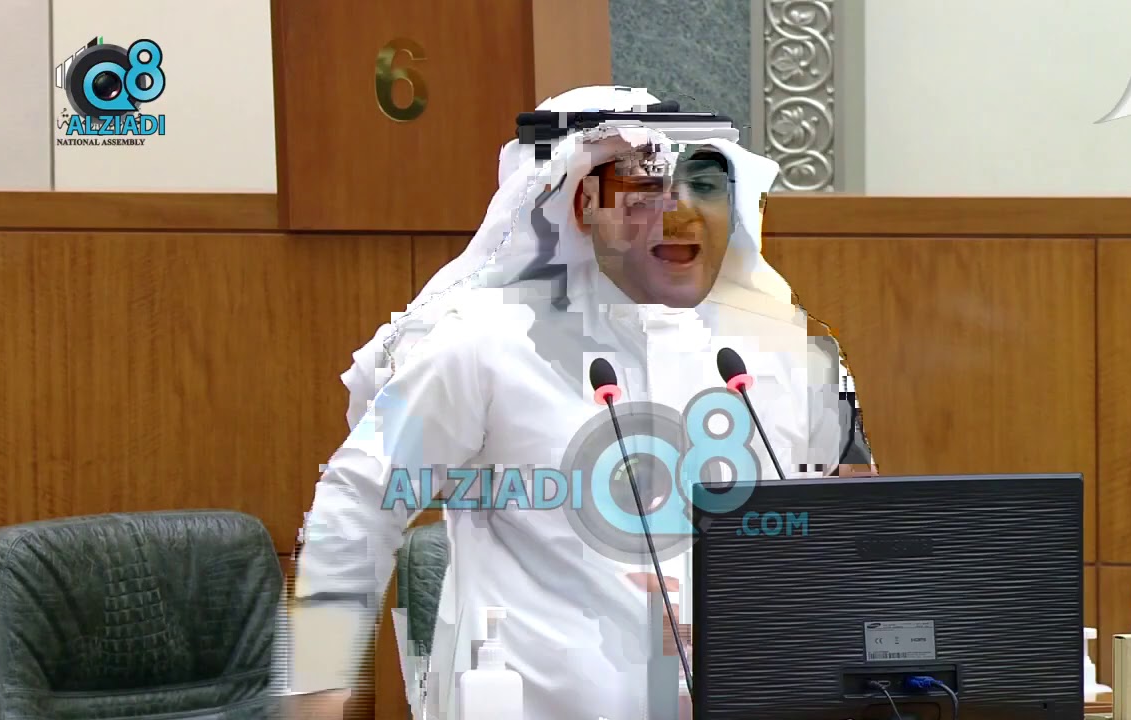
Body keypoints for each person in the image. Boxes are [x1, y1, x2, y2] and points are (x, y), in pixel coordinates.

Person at [284, 86, 876, 720]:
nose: (678, 211)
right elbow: (354, 507)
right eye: (644, 188)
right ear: (579, 203)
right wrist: (316, 691)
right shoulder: (489, 342)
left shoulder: (782, 356)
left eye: (704, 186)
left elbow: (861, 531)